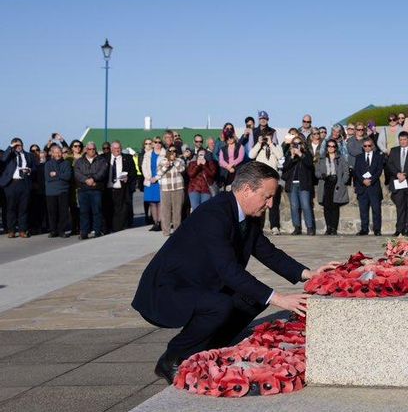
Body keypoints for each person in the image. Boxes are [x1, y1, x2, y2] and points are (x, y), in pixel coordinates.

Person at [131, 161, 339, 384]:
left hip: (199, 284)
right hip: (168, 291)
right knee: (222, 305)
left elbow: (268, 252)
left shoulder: (244, 216)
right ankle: (173, 358)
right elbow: (229, 271)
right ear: (247, 189)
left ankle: (210, 348)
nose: (270, 204)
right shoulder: (215, 214)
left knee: (254, 298)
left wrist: (310, 274)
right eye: (266, 197)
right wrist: (280, 299)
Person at [248, 128, 283, 234]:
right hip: (260, 179)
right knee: (259, 203)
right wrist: (259, 144)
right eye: (264, 136)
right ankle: (258, 226)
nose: (266, 138)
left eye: (268, 136)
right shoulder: (258, 147)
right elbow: (251, 155)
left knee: (273, 205)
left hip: (272, 179)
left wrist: (271, 144)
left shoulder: (276, 147)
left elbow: (281, 157)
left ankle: (274, 226)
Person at [1, 138, 36, 238]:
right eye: (16, 145)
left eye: (19, 144)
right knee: (11, 208)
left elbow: (34, 168)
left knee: (23, 208)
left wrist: (29, 170)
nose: (18, 147)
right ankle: (11, 230)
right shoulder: (9, 155)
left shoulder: (29, 155)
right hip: (12, 184)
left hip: (24, 183)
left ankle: (22, 230)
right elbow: (3, 159)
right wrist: (11, 147)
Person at [281, 135, 316, 235]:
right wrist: (292, 157)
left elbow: (309, 164)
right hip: (292, 184)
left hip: (304, 184)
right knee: (294, 206)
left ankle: (310, 228)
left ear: (303, 144)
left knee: (305, 205)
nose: (297, 146)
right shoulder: (289, 155)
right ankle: (297, 227)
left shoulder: (307, 154)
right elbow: (284, 168)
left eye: (299, 143)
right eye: (295, 144)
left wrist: (300, 154)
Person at [74, 142, 108, 239]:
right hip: (83, 189)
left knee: (97, 211)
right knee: (84, 212)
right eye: (89, 149)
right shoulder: (79, 161)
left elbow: (102, 172)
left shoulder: (101, 160)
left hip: (96, 189)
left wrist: (93, 179)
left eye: (93, 149)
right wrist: (86, 180)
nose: (91, 151)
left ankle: (97, 231)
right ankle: (84, 232)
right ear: (86, 150)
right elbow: (77, 173)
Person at [316, 141, 349, 235]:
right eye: (329, 146)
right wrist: (321, 175)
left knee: (335, 206)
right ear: (326, 147)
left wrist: (342, 182)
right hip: (325, 182)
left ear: (336, 148)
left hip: (336, 183)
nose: (331, 148)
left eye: (333, 146)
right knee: (326, 206)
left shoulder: (341, 158)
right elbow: (316, 171)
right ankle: (328, 227)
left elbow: (346, 172)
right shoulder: (321, 159)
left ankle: (334, 228)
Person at [353, 139, 384, 236]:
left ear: (372, 146)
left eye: (369, 146)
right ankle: (364, 229)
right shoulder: (359, 157)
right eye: (365, 146)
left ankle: (377, 230)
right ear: (363, 147)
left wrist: (371, 180)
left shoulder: (378, 156)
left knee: (376, 210)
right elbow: (356, 171)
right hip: (362, 187)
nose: (367, 147)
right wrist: (363, 180)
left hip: (373, 186)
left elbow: (379, 170)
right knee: (363, 210)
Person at [107, 141, 137, 233]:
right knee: (109, 208)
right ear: (111, 149)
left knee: (121, 209)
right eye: (115, 148)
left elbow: (133, 172)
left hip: (121, 188)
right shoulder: (104, 158)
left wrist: (128, 177)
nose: (117, 150)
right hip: (108, 188)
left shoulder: (127, 158)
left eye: (119, 148)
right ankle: (108, 227)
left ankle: (118, 228)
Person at [44, 144, 72, 238]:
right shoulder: (48, 164)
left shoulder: (66, 163)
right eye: (56, 152)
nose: (58, 154)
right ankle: (53, 230)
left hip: (63, 191)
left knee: (63, 212)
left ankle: (62, 230)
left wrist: (56, 174)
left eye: (59, 152)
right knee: (52, 212)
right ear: (52, 153)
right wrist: (61, 176)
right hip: (51, 192)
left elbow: (68, 176)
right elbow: (48, 178)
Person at [158, 146, 186, 236]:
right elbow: (158, 173)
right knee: (165, 211)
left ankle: (177, 231)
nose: (172, 152)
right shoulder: (162, 161)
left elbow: (182, 169)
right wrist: (165, 166)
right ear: (167, 151)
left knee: (177, 211)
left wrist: (174, 161)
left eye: (174, 151)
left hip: (178, 187)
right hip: (166, 188)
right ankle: (166, 231)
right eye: (170, 151)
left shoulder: (180, 160)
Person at [142, 138, 165, 232]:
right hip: (149, 181)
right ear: (152, 144)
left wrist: (156, 177)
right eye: (156, 142)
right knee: (152, 203)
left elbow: (165, 167)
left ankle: (160, 222)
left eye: (159, 142)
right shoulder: (147, 154)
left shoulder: (164, 153)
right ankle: (155, 223)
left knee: (160, 202)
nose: (158, 144)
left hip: (159, 181)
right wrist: (148, 177)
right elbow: (144, 167)